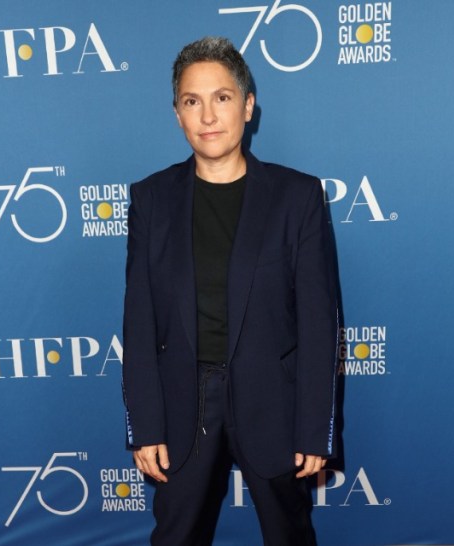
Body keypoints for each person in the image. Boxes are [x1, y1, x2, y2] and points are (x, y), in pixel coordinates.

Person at [122, 37, 339, 545]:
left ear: (247, 105)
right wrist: (145, 426)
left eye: (221, 98)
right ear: (177, 114)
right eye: (191, 101)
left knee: (289, 536)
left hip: (273, 403)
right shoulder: (151, 199)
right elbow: (139, 319)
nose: (207, 116)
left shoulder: (297, 196)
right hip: (183, 405)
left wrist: (314, 429)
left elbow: (318, 320)